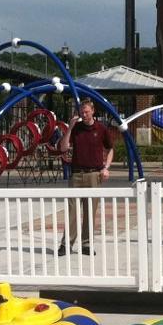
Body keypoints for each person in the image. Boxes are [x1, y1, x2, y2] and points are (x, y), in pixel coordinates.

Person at [57, 98, 115, 256]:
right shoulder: (76, 128)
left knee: (90, 211)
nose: (84, 114)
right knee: (72, 211)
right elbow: (63, 148)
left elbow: (110, 149)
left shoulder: (101, 129)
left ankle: (86, 244)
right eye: (82, 112)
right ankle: (66, 244)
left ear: (93, 111)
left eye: (87, 112)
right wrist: (70, 128)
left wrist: (106, 167)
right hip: (76, 174)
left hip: (94, 174)